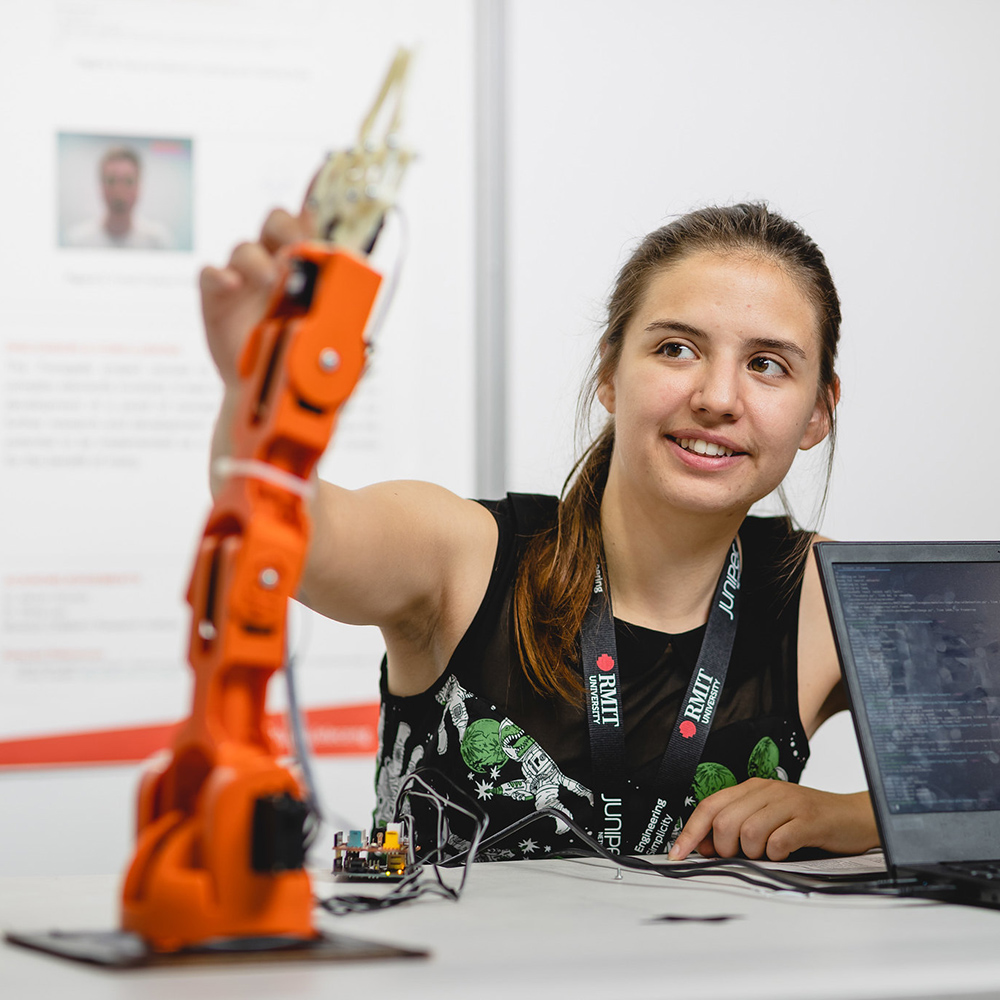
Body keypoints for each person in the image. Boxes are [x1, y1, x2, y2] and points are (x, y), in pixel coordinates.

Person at [200, 201, 879, 863]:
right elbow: (290, 531)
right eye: (677, 349)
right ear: (610, 372)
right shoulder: (463, 556)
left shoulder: (827, 593)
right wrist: (261, 400)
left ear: (818, 411)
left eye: (767, 365)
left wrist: (856, 814)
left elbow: (981, 766)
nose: (718, 397)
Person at [64, 146, 172, 250]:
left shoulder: (158, 242)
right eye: (111, 181)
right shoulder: (77, 242)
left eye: (128, 181)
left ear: (139, 187)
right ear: (101, 186)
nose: (119, 191)